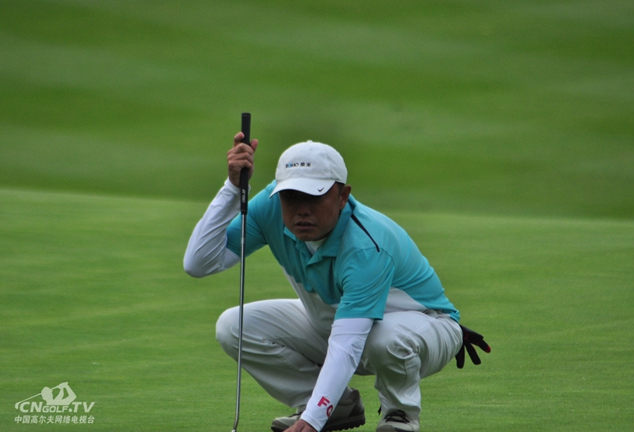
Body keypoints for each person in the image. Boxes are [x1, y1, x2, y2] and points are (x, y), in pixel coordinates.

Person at [184, 132, 489, 432]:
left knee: (385, 339)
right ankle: (336, 407)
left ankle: (400, 414)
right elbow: (198, 263)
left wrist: (312, 422)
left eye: (315, 196)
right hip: (333, 319)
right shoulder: (270, 206)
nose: (302, 209)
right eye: (291, 196)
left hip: (424, 324)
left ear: (343, 196)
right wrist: (232, 189)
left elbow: (347, 344)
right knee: (234, 325)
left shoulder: (366, 245)